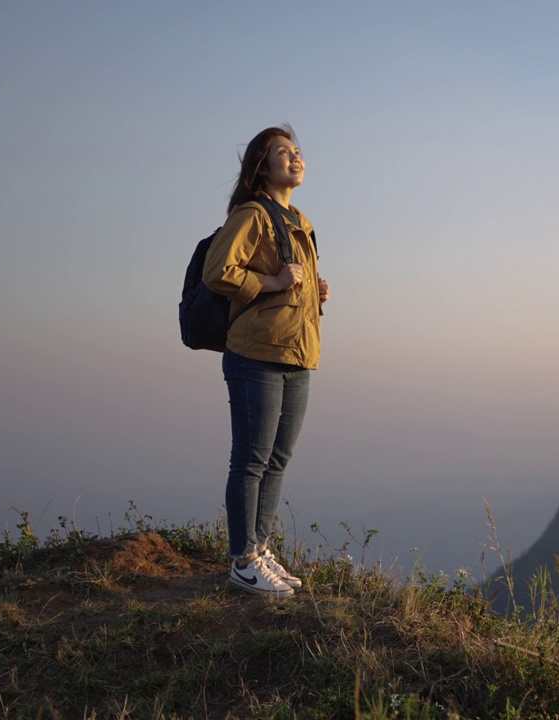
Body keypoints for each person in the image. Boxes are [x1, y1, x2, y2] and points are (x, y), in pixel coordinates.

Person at [202, 125, 329, 598]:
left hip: (297, 354)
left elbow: (291, 283)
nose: (295, 157)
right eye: (283, 152)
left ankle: (260, 549)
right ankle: (243, 560)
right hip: (255, 353)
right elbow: (219, 271)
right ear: (262, 165)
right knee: (251, 459)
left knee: (277, 458)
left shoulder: (301, 220)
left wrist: (315, 291)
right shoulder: (253, 213)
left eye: (297, 151)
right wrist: (274, 283)